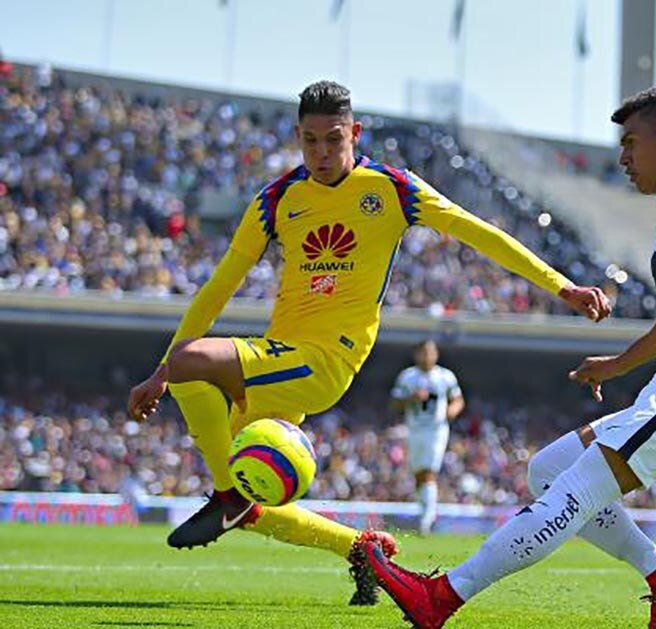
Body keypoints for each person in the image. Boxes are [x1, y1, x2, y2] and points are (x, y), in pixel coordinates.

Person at [361, 86, 656, 629]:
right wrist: (617, 365)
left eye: (631, 143)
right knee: (547, 470)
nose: (622, 158)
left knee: (575, 490)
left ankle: (443, 597)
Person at [126, 81, 610, 606]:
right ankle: (362, 548)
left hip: (326, 361)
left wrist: (562, 285)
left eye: (333, 140)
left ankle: (224, 497)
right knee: (257, 484)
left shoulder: (392, 190)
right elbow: (219, 286)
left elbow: (478, 232)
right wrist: (160, 373)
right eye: (310, 141)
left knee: (193, 363)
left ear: (355, 132)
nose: (321, 153)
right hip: (276, 358)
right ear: (297, 138)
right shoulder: (276, 200)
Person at [391, 340, 464, 535]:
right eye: (423, 353)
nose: (426, 356)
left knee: (429, 471)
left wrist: (452, 410)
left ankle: (427, 519)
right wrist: (411, 398)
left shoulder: (445, 376)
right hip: (414, 429)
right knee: (419, 474)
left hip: (436, 429)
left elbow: (457, 399)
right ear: (417, 355)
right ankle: (423, 512)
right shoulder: (408, 376)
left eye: (430, 352)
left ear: (436, 354)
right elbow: (395, 403)